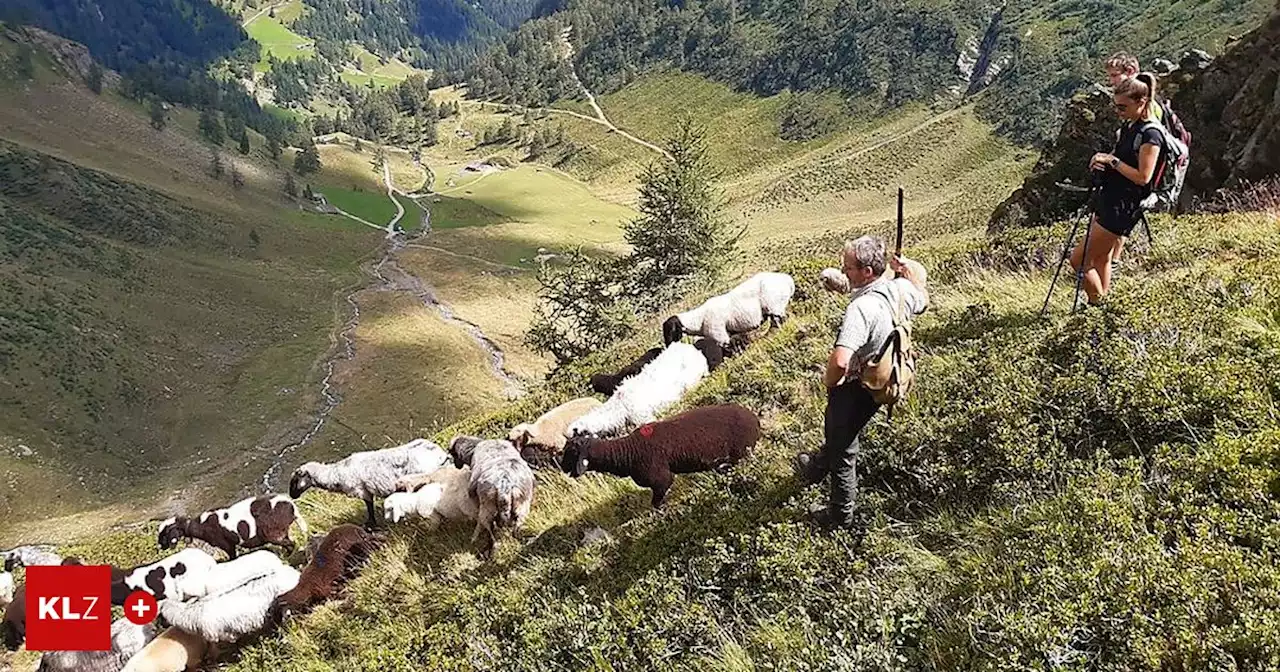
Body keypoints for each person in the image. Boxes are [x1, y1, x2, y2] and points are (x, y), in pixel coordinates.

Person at [794, 236, 928, 531]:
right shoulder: (902, 291)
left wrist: (829, 382)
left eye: (849, 268)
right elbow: (923, 298)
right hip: (888, 378)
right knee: (844, 432)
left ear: (867, 271)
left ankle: (840, 517)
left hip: (855, 386)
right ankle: (816, 467)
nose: (844, 273)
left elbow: (841, 361)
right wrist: (907, 273)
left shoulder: (861, 309)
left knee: (843, 447)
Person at [1070, 73, 1164, 306]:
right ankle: (1104, 303)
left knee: (1079, 260)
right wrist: (1104, 160)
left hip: (1122, 207)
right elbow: (1122, 161)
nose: (1118, 112)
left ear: (1141, 102)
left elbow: (1143, 177)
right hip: (1110, 199)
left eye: (1123, 107)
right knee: (1102, 257)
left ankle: (1096, 304)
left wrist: (1112, 162)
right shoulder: (1130, 126)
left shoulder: (1151, 135)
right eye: (1116, 106)